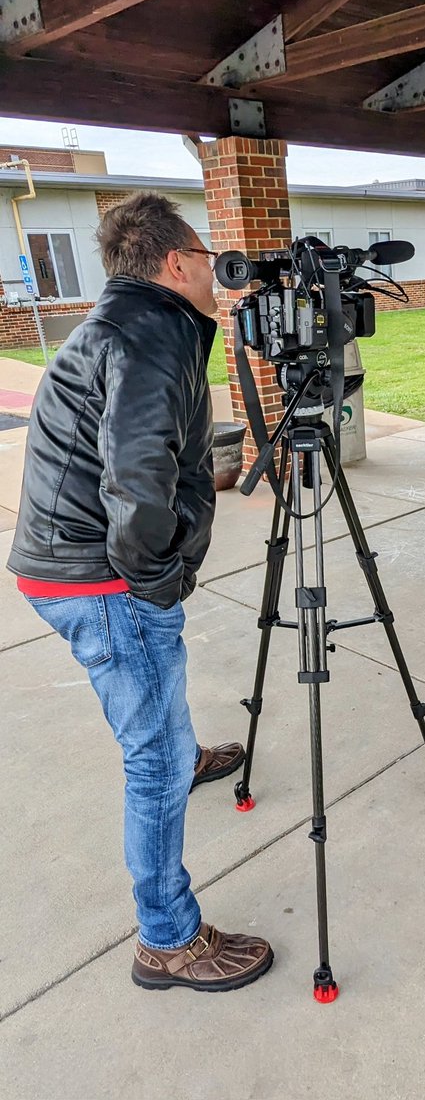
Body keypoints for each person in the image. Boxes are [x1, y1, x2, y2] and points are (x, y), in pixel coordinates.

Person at [7, 192, 274, 992]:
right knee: (149, 759)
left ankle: (184, 753)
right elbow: (137, 486)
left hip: (69, 565)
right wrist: (159, 585)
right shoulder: (150, 337)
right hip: (98, 579)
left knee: (159, 714)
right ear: (175, 262)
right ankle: (168, 937)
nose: (213, 267)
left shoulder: (128, 324)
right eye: (204, 252)